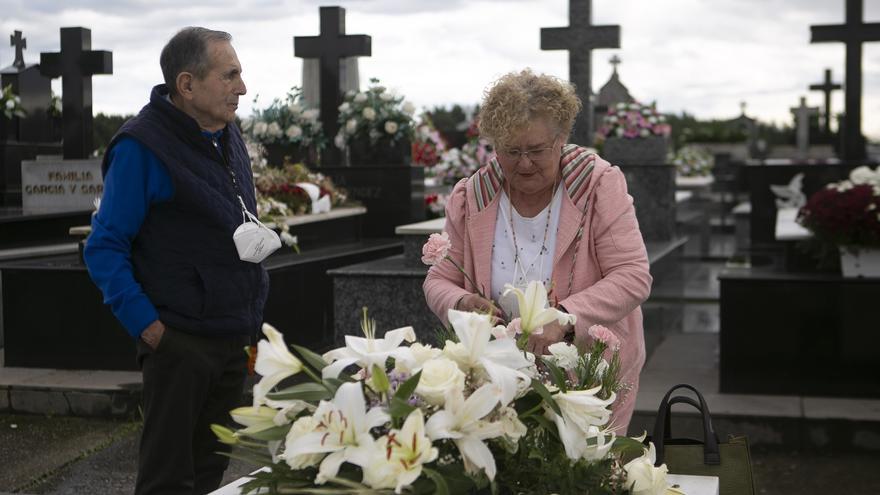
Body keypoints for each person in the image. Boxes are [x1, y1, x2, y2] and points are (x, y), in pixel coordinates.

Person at [84, 27, 268, 495]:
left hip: (230, 336)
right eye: (230, 76)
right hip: (179, 342)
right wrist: (150, 328)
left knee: (208, 477)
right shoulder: (142, 148)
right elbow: (104, 247)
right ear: (187, 85)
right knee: (168, 482)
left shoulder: (226, 133)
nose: (242, 88)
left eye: (240, 75)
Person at [423, 69, 652, 431]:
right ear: (494, 146)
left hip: (590, 377)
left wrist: (564, 317)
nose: (524, 163)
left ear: (561, 139)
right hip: (497, 377)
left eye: (536, 150)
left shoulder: (597, 185)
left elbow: (633, 277)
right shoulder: (472, 196)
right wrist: (463, 304)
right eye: (511, 151)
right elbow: (439, 280)